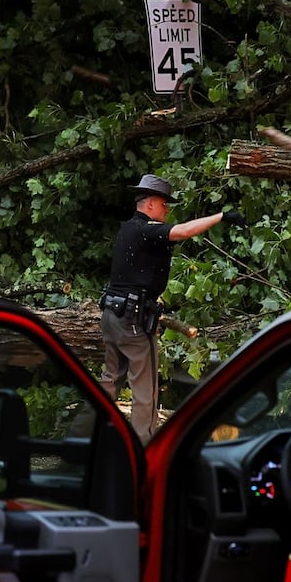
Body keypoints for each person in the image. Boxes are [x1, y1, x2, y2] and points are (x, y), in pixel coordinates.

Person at [100, 173, 245, 444]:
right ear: (152, 203)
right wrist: (222, 216)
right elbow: (183, 231)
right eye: (165, 205)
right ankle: (144, 450)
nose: (167, 210)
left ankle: (84, 437)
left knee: (110, 380)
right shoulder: (145, 229)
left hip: (112, 314)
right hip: (132, 320)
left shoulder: (128, 229)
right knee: (145, 390)